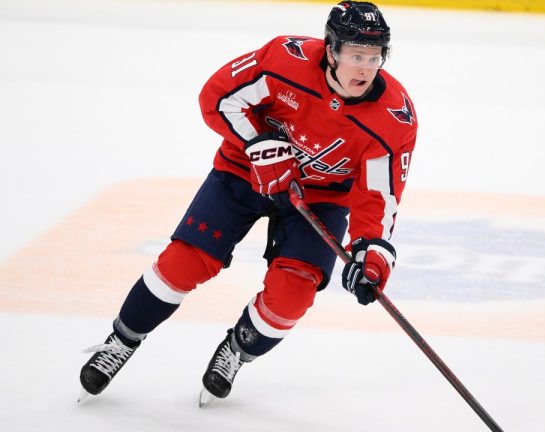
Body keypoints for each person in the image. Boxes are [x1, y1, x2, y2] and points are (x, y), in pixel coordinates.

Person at [78, 1, 417, 405]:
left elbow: (379, 195)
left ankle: (236, 352)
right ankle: (122, 339)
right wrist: (258, 144)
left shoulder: (393, 118)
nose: (365, 67)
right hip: (244, 172)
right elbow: (218, 98)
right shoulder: (283, 60)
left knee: (293, 294)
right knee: (182, 263)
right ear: (331, 50)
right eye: (355, 55)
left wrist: (371, 254)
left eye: (374, 57)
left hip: (321, 198)